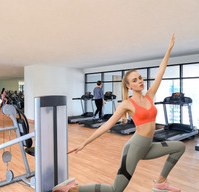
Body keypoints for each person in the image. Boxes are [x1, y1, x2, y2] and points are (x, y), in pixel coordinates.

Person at [53, 34, 185, 192]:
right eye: (135, 80)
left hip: (148, 146)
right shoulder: (127, 104)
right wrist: (84, 143)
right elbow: (107, 125)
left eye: (140, 78)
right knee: (116, 189)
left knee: (179, 147)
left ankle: (161, 182)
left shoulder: (150, 95)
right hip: (135, 148)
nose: (140, 81)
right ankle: (71, 189)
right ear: (129, 86)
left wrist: (169, 49)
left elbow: (160, 72)